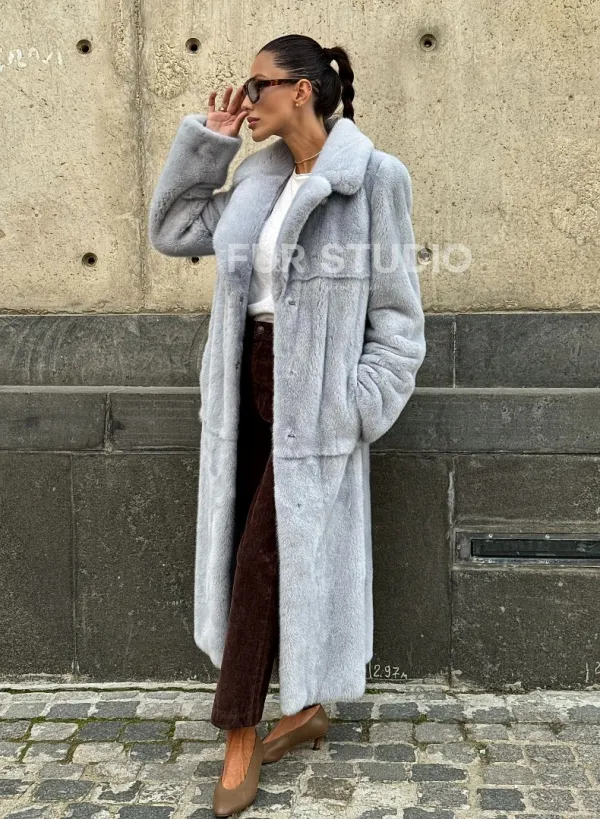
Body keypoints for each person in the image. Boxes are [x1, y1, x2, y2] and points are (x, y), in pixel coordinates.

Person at [148, 33, 426, 818]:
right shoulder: (257, 178)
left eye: (257, 86)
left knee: (261, 555)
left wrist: (355, 405)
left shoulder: (373, 179)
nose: (246, 99)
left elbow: (399, 322)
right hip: (246, 381)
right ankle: (304, 710)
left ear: (301, 90)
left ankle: (239, 729)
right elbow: (174, 230)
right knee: (251, 540)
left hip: (318, 401)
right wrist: (209, 144)